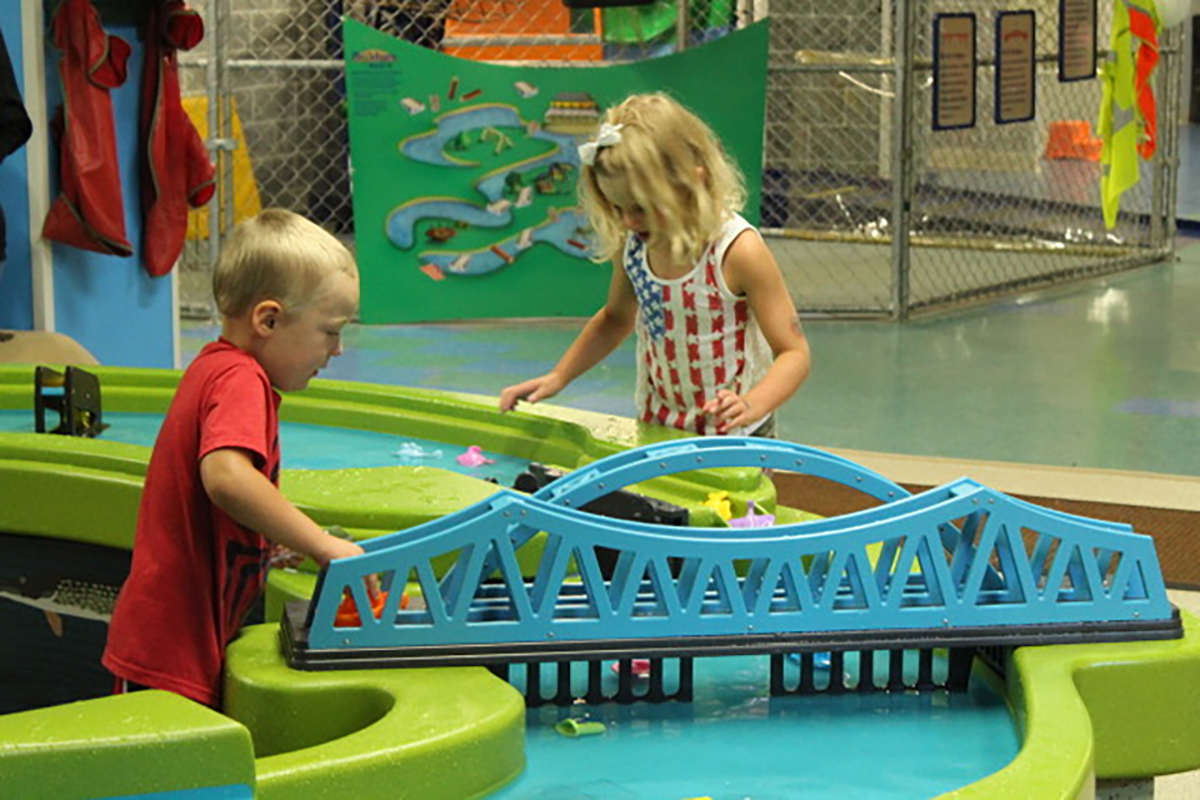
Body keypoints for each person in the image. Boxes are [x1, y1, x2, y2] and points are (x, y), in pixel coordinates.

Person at [103, 208, 371, 709]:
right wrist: (321, 544)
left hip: (169, 641)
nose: (336, 350)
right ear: (268, 319)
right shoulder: (240, 379)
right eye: (331, 331)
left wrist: (272, 545)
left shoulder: (218, 369)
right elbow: (225, 477)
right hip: (170, 651)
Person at [499, 92, 810, 436]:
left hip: (736, 430)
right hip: (660, 423)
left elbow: (793, 352)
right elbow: (615, 319)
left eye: (641, 207)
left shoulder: (737, 251)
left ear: (694, 182)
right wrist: (559, 376)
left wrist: (754, 403)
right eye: (617, 208)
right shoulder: (634, 245)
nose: (629, 221)